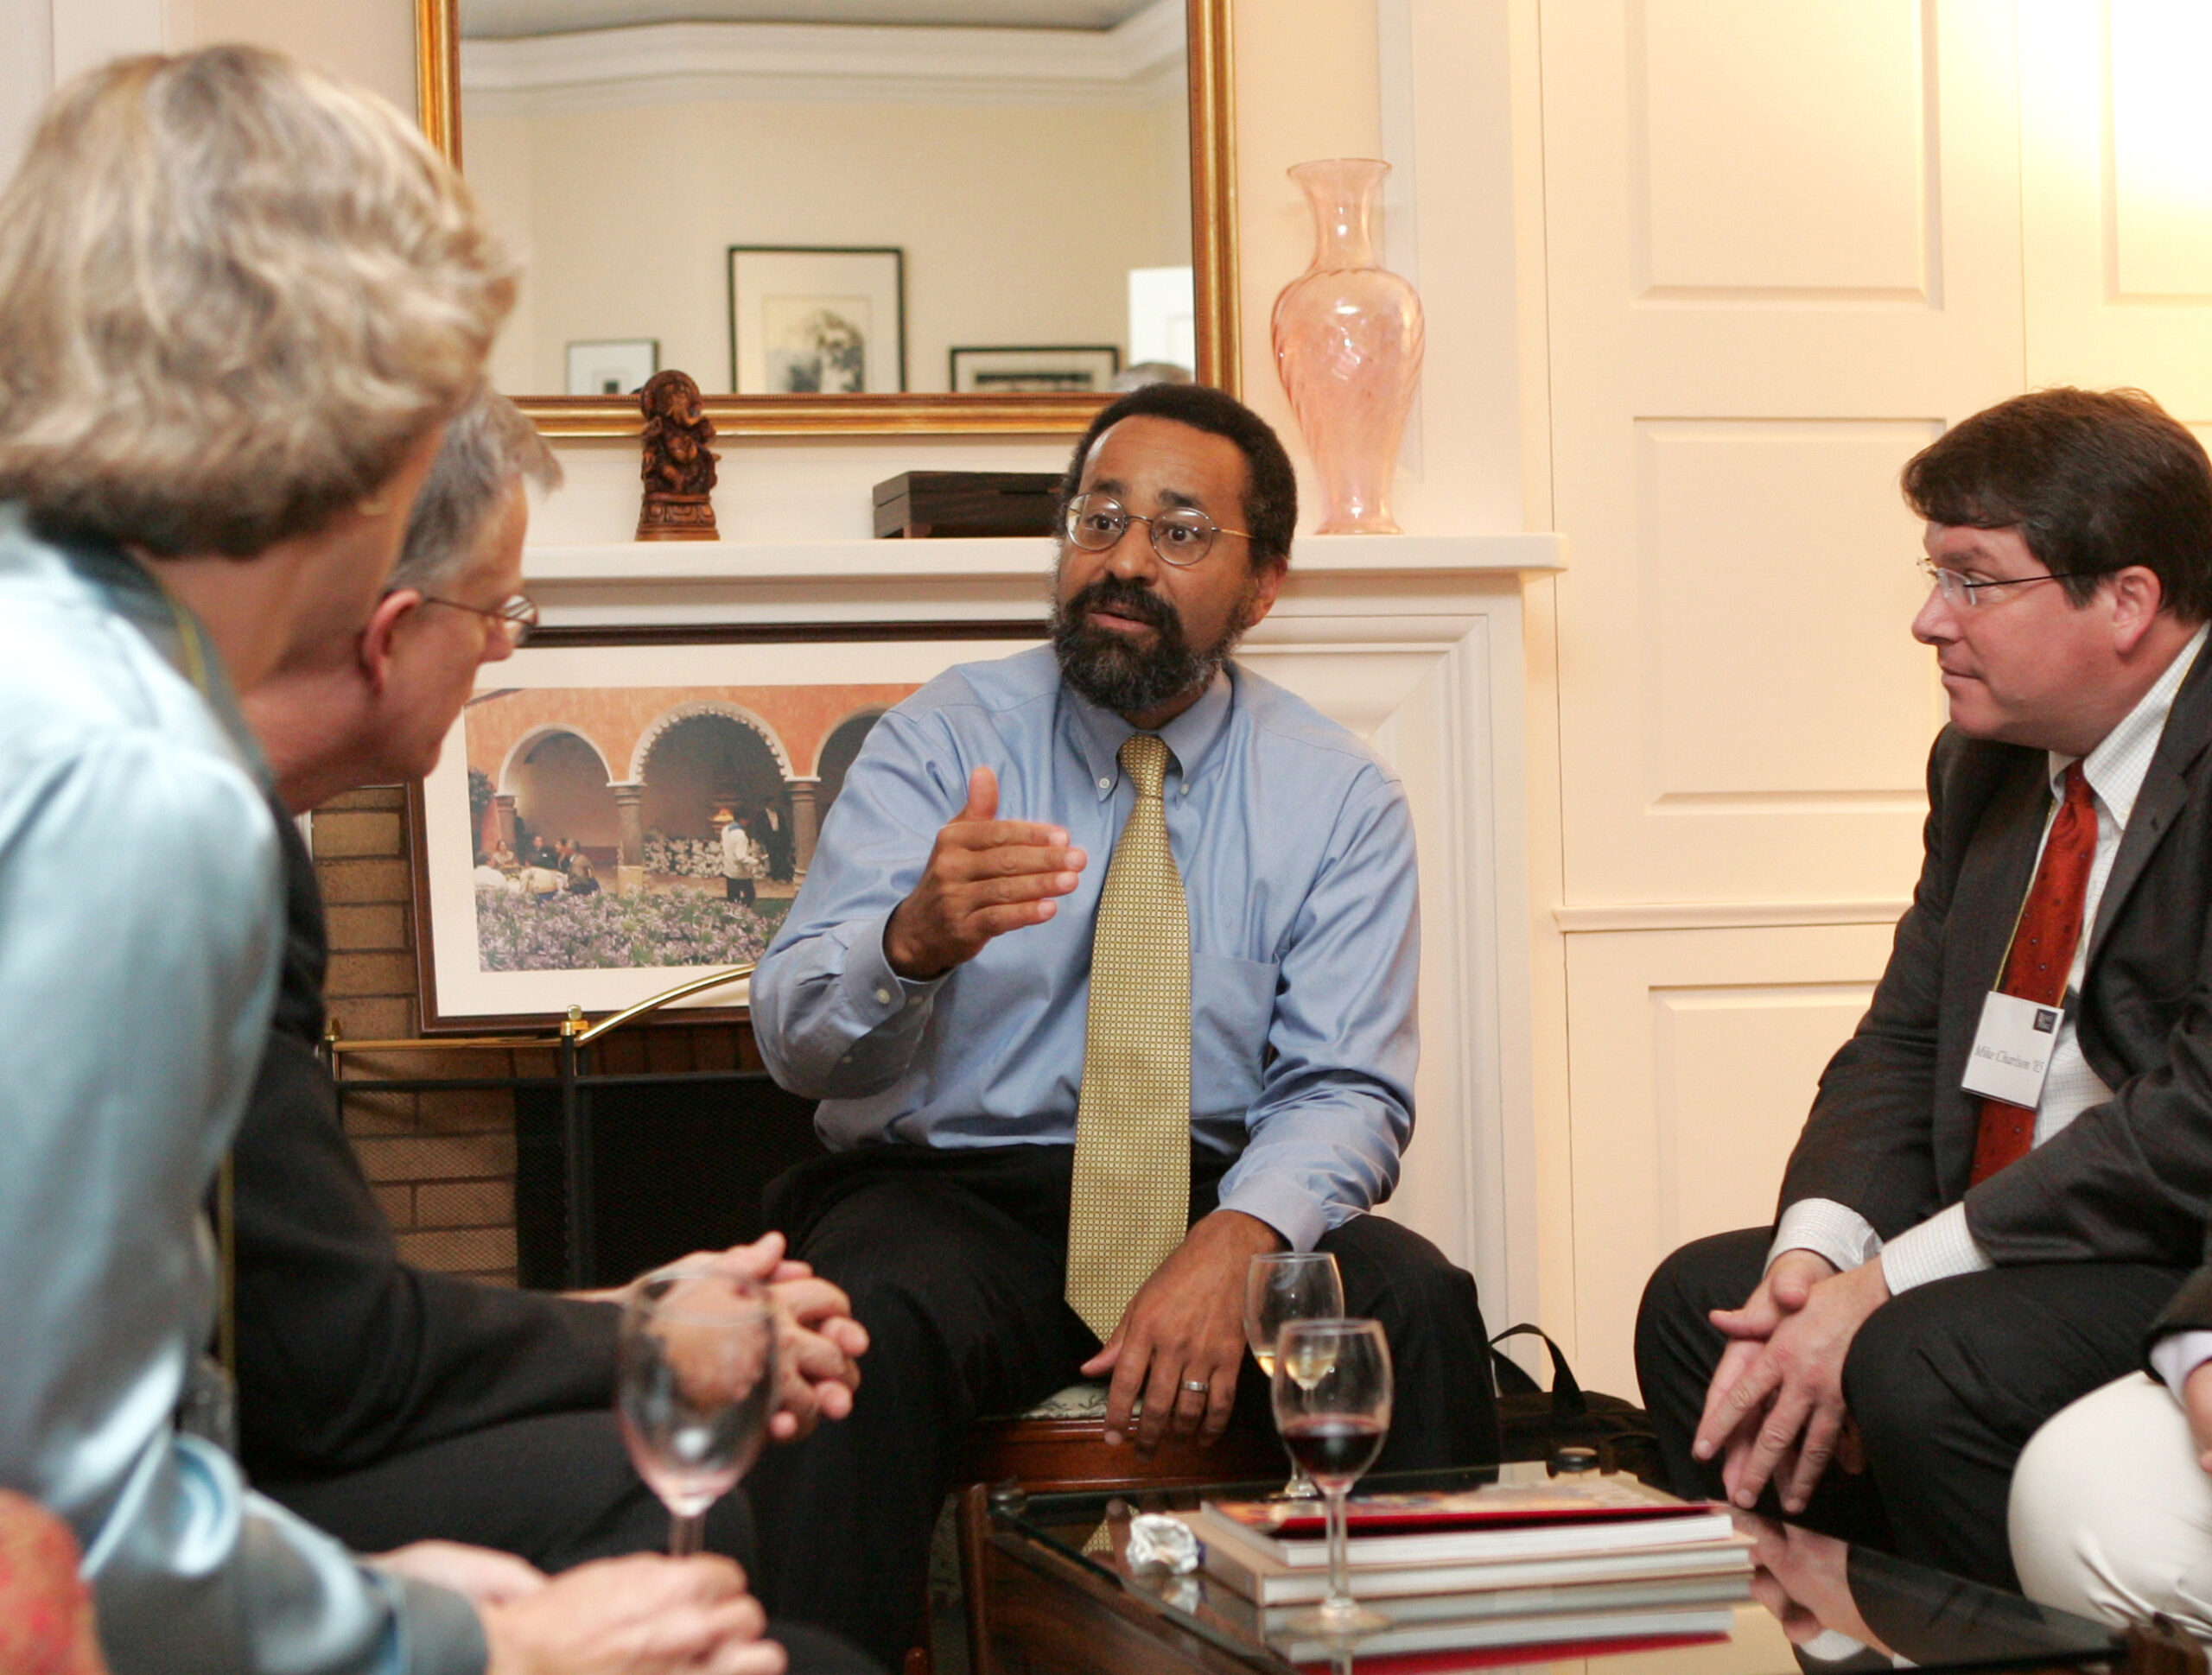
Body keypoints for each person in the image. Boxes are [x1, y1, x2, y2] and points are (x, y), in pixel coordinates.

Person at [0, 46, 776, 1675]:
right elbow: (63, 1521)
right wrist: (476, 1637)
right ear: (362, 431)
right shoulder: (145, 783)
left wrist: (332, 1570)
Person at [747, 382, 1498, 1664]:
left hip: (1219, 1191)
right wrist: (906, 942)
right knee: (855, 1313)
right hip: (959, 1197)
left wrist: (1238, 1237)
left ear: (1264, 585)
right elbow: (795, 1044)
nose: (1127, 560)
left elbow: (1347, 1086)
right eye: (1100, 519)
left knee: (1415, 1303)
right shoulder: (943, 740)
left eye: (1181, 531)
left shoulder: (1337, 794)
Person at [238, 390, 878, 1674]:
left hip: (229, 1434)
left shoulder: (240, 825)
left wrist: (642, 1307)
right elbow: (332, 1362)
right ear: (394, 631)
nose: (505, 653)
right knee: (662, 1512)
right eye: (501, 613)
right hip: (161, 1500)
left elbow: (306, 1324)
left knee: (639, 1488)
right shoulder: (210, 854)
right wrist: (647, 1333)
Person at [1635, 387, 2212, 1591]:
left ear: (2130, 600)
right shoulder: (1986, 759)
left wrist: (1885, 1281)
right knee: (1708, 1302)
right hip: (2014, 1216)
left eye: (1974, 578)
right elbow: (1903, 1041)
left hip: (2168, 1245)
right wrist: (1817, 1252)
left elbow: (2188, 1129)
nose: (1926, 620)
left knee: (1914, 1351)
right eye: (1932, 572)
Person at [723, 813, 762, 906]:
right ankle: (744, 914)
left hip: (729, 868)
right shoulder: (741, 836)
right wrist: (756, 861)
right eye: (747, 820)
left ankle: (733, 916)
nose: (748, 823)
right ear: (742, 819)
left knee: (732, 899)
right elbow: (741, 857)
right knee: (750, 896)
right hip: (740, 872)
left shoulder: (726, 829)